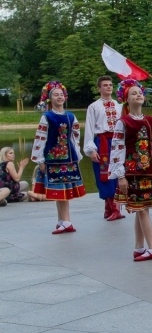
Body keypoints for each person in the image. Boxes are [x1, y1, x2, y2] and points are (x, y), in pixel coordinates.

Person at [109, 80, 152, 261]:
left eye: (140, 92)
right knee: (141, 209)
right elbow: (117, 148)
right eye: (133, 93)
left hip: (150, 171)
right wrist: (120, 175)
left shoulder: (151, 120)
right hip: (132, 173)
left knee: (142, 209)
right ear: (126, 99)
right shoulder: (123, 122)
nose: (138, 95)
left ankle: (140, 247)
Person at [31, 81, 86, 233]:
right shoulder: (47, 117)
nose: (60, 97)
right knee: (58, 190)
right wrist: (40, 159)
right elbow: (41, 137)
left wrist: (77, 153)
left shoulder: (70, 116)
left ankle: (67, 221)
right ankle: (62, 220)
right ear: (50, 98)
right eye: (56, 95)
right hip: (52, 158)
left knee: (64, 190)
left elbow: (75, 137)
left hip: (68, 158)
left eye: (61, 94)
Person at [84, 75, 125, 221]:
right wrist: (91, 149)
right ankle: (113, 208)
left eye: (110, 85)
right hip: (101, 142)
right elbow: (89, 128)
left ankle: (112, 209)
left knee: (118, 172)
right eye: (105, 85)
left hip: (116, 142)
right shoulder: (94, 106)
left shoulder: (118, 105)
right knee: (104, 175)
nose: (109, 87)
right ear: (99, 88)